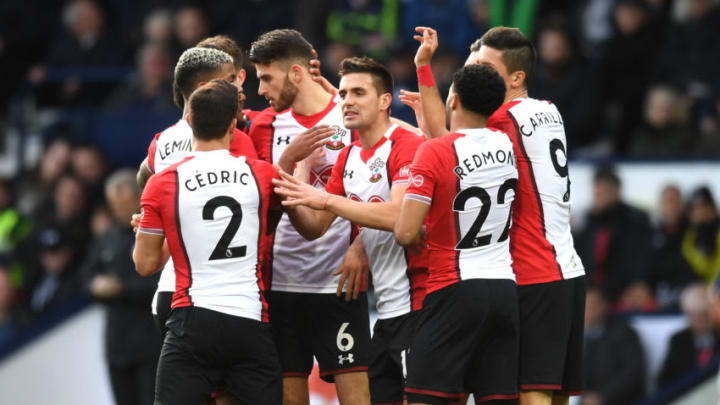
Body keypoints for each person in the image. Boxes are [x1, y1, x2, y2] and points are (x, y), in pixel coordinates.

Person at [407, 26, 586, 405]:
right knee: (556, 393)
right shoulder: (549, 111)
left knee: (531, 391)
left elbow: (445, 136)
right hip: (569, 270)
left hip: (533, 271)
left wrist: (424, 68)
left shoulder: (503, 122)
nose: (477, 72)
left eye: (485, 66)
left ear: (517, 77)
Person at [270, 56, 426, 404]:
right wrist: (298, 174)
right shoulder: (349, 156)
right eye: (342, 94)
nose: (347, 101)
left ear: (386, 101)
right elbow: (314, 228)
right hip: (387, 311)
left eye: (359, 92)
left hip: (422, 306)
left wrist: (326, 200)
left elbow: (401, 218)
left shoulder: (405, 144)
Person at [133, 80, 282, 405]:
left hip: (192, 322)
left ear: (189, 122)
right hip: (249, 319)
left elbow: (145, 265)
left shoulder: (162, 183)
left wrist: (169, 228)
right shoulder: (262, 174)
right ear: (233, 125)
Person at [248, 29, 372, 405]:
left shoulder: (349, 116)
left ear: (297, 74)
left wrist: (361, 246)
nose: (261, 90)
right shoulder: (263, 128)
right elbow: (259, 205)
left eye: (267, 78)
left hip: (338, 283)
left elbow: (379, 186)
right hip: (281, 285)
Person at [394, 62, 518, 404]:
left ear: (454, 101)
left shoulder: (433, 151)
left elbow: (405, 233)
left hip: (454, 290)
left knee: (424, 398)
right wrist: (422, 67)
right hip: (506, 291)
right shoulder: (506, 144)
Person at [134, 46, 259, 337]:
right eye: (230, 79)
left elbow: (145, 176)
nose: (239, 86)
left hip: (169, 289)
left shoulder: (162, 141)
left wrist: (152, 217)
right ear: (205, 88)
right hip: (220, 297)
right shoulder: (232, 141)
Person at [83, 169, 160, 405]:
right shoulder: (107, 238)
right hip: (117, 345)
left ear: (138, 199)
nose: (119, 211)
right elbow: (86, 276)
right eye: (114, 206)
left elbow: (158, 283)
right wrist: (94, 285)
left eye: (123, 204)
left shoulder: (152, 233)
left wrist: (121, 288)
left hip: (149, 344)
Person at [582, 287, 646, 405]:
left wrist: (602, 397)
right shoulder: (573, 335)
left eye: (591, 307)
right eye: (583, 306)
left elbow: (632, 374)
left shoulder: (624, 334)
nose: (586, 311)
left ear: (604, 307)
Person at [658, 283, 720, 387]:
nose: (700, 320)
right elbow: (664, 380)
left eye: (703, 314)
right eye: (695, 315)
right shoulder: (678, 341)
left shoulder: (718, 334)